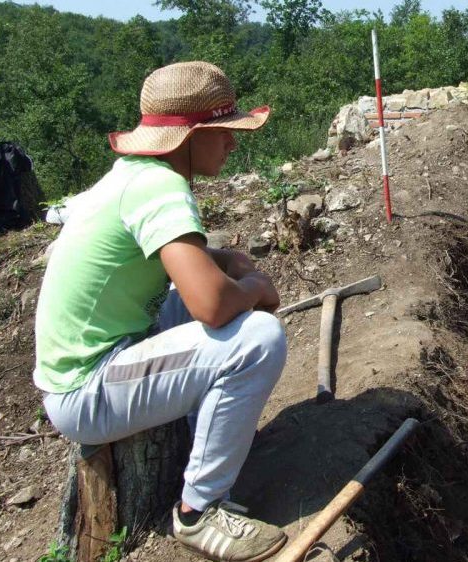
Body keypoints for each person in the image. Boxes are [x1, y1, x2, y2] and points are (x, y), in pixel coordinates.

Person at [34, 61, 288, 561]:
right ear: (188, 136)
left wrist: (227, 262)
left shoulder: (136, 176)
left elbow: (186, 261)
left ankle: (209, 441)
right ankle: (199, 511)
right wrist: (254, 285)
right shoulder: (162, 188)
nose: (232, 143)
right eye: (222, 131)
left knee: (213, 312)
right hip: (85, 390)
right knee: (257, 340)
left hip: (95, 360)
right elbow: (212, 304)